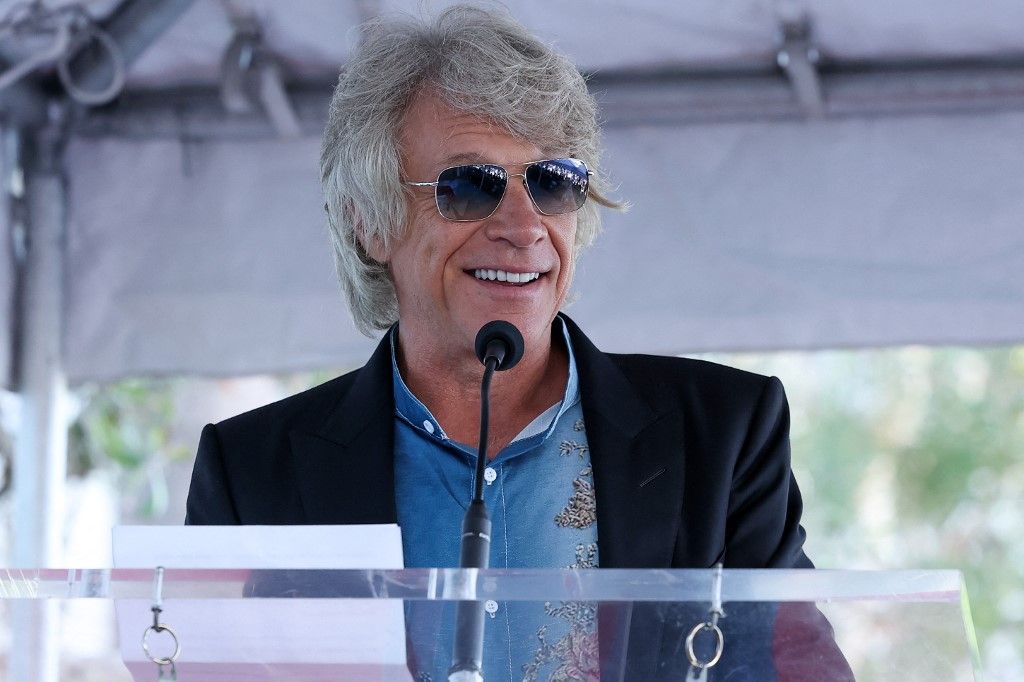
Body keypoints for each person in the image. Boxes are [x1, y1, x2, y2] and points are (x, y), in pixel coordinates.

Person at [186, 6, 851, 680]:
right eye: (470, 186)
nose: (524, 224)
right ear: (370, 222)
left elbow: (794, 667)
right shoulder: (251, 474)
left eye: (552, 182)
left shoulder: (722, 431)